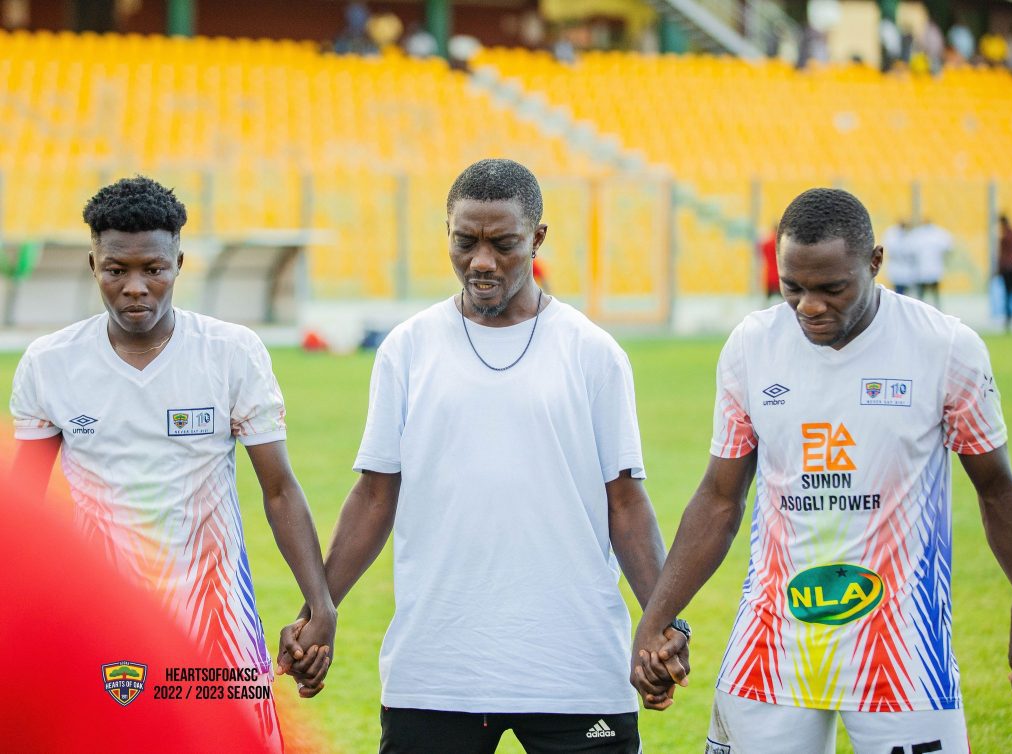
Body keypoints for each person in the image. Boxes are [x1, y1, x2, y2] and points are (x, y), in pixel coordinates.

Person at [279, 158, 685, 752]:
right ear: (447, 234)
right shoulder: (408, 349)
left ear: (537, 239)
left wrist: (662, 623)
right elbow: (374, 496)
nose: (482, 262)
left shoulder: (593, 353)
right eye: (465, 242)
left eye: (504, 244)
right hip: (437, 670)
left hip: (575, 671)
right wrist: (321, 608)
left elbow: (625, 503)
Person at [631, 188, 1012, 752]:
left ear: (875, 262)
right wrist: (657, 618)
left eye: (832, 289)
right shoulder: (752, 347)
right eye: (793, 287)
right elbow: (719, 498)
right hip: (770, 647)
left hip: (903, 652)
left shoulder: (945, 348)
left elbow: (999, 494)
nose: (809, 307)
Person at [10, 176, 337, 748]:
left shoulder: (231, 352)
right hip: (105, 618)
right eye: (117, 270)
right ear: (93, 265)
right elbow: (23, 500)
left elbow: (279, 489)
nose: (136, 287)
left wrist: (320, 605)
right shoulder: (49, 363)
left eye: (154, 269)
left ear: (179, 264)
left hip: (216, 617)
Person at [909, 218, 953, 308]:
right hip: (927, 269)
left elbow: (910, 251)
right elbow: (949, 249)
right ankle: (933, 308)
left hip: (926, 269)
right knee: (930, 293)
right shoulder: (939, 233)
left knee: (927, 293)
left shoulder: (919, 234)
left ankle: (925, 308)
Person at [881, 219, 915, 295]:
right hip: (897, 266)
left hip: (906, 268)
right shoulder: (892, 234)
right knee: (898, 290)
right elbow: (891, 249)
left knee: (905, 291)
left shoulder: (909, 234)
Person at [759, 225, 781, 302]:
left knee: (767, 301)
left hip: (769, 275)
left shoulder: (766, 243)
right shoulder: (782, 243)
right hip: (780, 275)